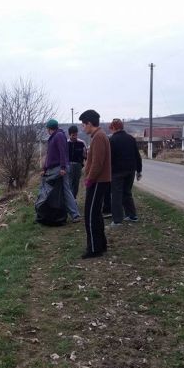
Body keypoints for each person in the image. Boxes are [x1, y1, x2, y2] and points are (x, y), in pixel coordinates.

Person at [79, 109, 111, 259]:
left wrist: (89, 179)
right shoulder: (99, 135)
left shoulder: (98, 137)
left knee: (91, 215)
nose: (83, 127)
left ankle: (93, 249)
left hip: (98, 181)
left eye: (83, 124)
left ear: (90, 123)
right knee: (96, 214)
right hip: (99, 181)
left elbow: (97, 163)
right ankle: (101, 245)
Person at [42, 119, 81, 222]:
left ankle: (74, 214)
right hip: (55, 167)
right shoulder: (53, 137)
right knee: (63, 190)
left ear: (50, 128)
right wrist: (45, 168)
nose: (47, 130)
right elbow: (49, 155)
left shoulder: (58, 136)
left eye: (47, 128)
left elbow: (62, 152)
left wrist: (63, 167)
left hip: (59, 168)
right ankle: (69, 213)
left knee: (57, 187)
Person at [109, 118, 142, 224]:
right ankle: (132, 216)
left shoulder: (112, 140)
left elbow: (109, 158)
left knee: (116, 196)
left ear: (114, 127)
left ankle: (117, 220)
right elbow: (137, 156)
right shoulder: (131, 138)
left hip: (117, 172)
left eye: (111, 128)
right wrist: (139, 171)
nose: (111, 130)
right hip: (130, 171)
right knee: (127, 193)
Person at [67, 125, 87, 199]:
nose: (75, 137)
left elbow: (85, 155)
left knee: (76, 184)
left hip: (78, 166)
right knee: (69, 183)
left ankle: (74, 198)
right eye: (73, 135)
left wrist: (84, 165)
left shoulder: (81, 143)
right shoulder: (66, 143)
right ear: (69, 135)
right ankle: (70, 200)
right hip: (68, 165)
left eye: (76, 135)